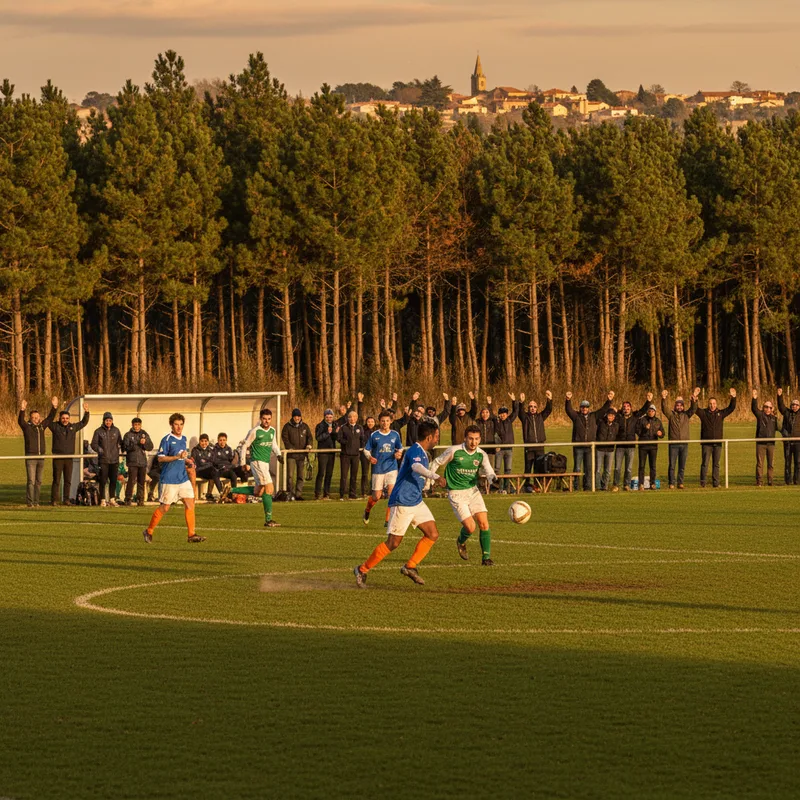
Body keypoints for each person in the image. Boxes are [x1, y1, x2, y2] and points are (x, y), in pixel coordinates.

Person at [354, 421, 447, 588]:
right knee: (393, 543)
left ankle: (410, 566)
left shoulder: (424, 453)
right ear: (429, 437)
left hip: (416, 501)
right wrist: (435, 477)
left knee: (432, 534)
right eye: (437, 437)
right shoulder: (415, 450)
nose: (437, 440)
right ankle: (362, 569)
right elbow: (416, 467)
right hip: (403, 501)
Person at [430, 424, 498, 566]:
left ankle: (486, 558)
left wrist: (492, 478)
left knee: (484, 523)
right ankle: (460, 541)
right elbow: (436, 462)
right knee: (471, 527)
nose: (473, 442)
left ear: (480, 439)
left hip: (473, 491)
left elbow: (489, 470)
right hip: (456, 493)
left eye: (477, 439)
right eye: (471, 439)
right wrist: (431, 479)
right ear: (465, 438)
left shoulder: (481, 454)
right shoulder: (454, 451)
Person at [143, 413, 205, 544]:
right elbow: (160, 458)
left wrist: (187, 460)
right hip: (169, 479)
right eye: (176, 424)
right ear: (171, 425)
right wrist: (177, 457)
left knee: (190, 503)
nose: (179, 427)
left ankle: (191, 534)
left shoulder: (184, 439)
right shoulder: (166, 439)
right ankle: (149, 531)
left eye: (181, 424)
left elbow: (181, 457)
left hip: (182, 478)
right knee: (165, 508)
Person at [241, 408, 282, 527]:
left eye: (269, 419)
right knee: (270, 488)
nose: (267, 421)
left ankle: (232, 491)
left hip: (265, 463)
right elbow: (245, 446)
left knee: (259, 491)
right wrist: (243, 462)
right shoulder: (255, 431)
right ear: (260, 419)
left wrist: (278, 454)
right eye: (264, 419)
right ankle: (268, 520)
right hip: (257, 462)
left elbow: (273, 444)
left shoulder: (272, 431)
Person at [565, 391, 614, 490]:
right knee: (577, 468)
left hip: (589, 447)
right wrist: (568, 400)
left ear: (589, 408)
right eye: (583, 407)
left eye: (586, 407)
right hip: (578, 447)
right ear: (580, 408)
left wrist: (609, 400)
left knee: (589, 468)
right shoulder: (576, 416)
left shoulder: (594, 416)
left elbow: (603, 409)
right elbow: (569, 410)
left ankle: (587, 486)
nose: (584, 409)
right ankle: (576, 487)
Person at [362, 410, 403, 526]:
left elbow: (400, 448)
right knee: (376, 496)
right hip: (378, 469)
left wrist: (398, 454)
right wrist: (370, 457)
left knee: (392, 493)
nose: (385, 423)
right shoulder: (374, 435)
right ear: (379, 422)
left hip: (392, 467)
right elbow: (366, 450)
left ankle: (388, 520)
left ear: (390, 422)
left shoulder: (395, 434)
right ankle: (367, 511)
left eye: (387, 421)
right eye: (383, 421)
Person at [18, 397, 58, 507]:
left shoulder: (41, 426)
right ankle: (30, 502)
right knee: (31, 481)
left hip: (41, 457)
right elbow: (20, 421)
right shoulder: (27, 427)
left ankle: (36, 502)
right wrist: (22, 409)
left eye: (37, 417)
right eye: (34, 417)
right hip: (31, 457)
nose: (36, 419)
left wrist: (54, 407)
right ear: (30, 418)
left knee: (39, 481)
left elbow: (50, 418)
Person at [48, 402, 90, 505]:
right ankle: (54, 500)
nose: (65, 420)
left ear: (69, 419)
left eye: (67, 418)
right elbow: (48, 420)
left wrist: (87, 412)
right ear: (60, 418)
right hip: (58, 457)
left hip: (69, 458)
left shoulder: (73, 427)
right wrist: (54, 408)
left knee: (68, 480)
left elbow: (84, 422)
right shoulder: (55, 427)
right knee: (56, 480)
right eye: (63, 418)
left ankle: (66, 500)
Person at [696, 388, 736, 488]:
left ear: (716, 404)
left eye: (714, 403)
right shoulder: (704, 413)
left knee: (716, 464)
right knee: (705, 463)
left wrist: (733, 397)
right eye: (710, 403)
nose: (712, 405)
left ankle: (716, 483)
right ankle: (703, 482)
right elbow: (695, 409)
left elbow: (731, 408)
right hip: (706, 444)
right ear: (708, 404)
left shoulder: (720, 413)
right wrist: (695, 397)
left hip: (718, 444)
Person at [661, 389, 699, 489]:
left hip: (684, 444)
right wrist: (664, 398)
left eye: (681, 405)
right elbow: (664, 409)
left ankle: (680, 482)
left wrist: (694, 400)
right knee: (672, 465)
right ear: (675, 406)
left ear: (683, 406)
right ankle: (671, 483)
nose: (679, 407)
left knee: (682, 466)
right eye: (677, 405)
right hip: (673, 444)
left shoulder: (686, 415)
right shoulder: (671, 416)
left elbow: (693, 409)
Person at [613, 397, 650, 491]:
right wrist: (613, 409)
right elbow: (608, 415)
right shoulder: (618, 417)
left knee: (628, 468)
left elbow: (643, 410)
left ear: (631, 408)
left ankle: (627, 485)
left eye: (628, 406)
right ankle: (616, 485)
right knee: (617, 468)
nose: (626, 408)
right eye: (624, 407)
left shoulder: (634, 416)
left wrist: (648, 401)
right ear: (622, 408)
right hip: (620, 446)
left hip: (631, 446)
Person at [519, 390, 552, 492]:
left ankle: (537, 486)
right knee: (528, 468)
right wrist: (521, 402)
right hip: (529, 447)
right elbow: (519, 412)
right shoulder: (525, 418)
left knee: (538, 468)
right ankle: (527, 487)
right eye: (530, 406)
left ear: (537, 408)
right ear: (528, 408)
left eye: (534, 406)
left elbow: (548, 410)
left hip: (539, 447)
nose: (532, 408)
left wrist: (549, 399)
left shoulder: (540, 417)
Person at [91, 412, 123, 507]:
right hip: (103, 460)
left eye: (110, 420)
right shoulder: (98, 431)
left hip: (114, 460)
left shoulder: (116, 431)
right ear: (104, 421)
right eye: (106, 420)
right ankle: (103, 500)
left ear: (112, 421)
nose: (108, 422)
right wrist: (100, 450)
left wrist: (121, 448)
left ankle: (112, 499)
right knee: (103, 481)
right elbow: (94, 444)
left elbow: (120, 442)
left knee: (113, 480)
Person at [281, 408, 313, 500]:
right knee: (290, 476)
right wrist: (289, 447)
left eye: (299, 416)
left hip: (302, 455)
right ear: (293, 417)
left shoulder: (305, 426)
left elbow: (310, 437)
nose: (297, 418)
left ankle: (298, 494)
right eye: (295, 416)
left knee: (300, 476)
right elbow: (285, 438)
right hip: (291, 455)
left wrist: (309, 445)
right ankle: (290, 494)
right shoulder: (287, 427)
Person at [121, 417, 153, 506]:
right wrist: (136, 444)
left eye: (138, 424)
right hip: (132, 461)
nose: (137, 426)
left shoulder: (144, 434)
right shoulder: (128, 435)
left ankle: (140, 499)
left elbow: (150, 446)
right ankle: (128, 499)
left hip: (142, 462)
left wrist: (145, 443)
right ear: (132, 425)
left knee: (141, 481)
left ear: (141, 425)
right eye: (135, 424)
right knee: (131, 481)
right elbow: (125, 447)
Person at [492, 394, 520, 493]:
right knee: (497, 469)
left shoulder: (509, 420)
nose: (503, 415)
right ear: (499, 414)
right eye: (501, 413)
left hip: (509, 449)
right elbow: (495, 435)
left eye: (505, 413)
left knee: (508, 469)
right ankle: (498, 487)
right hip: (499, 449)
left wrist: (514, 401)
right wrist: (497, 445)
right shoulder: (496, 422)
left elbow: (516, 411)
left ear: (507, 414)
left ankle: (506, 488)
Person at [751, 390, 778, 487]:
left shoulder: (774, 418)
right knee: (760, 464)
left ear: (772, 408)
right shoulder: (760, 415)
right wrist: (754, 398)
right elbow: (754, 408)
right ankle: (759, 482)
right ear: (763, 408)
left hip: (771, 444)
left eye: (769, 407)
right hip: (761, 443)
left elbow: (780, 428)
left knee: (770, 464)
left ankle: (770, 481)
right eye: (766, 407)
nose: (767, 409)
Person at [336, 409, 363, 501]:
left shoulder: (359, 428)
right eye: (350, 417)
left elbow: (362, 439)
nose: (352, 419)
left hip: (355, 455)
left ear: (357, 418)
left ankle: (352, 493)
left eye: (354, 417)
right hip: (345, 455)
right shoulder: (343, 427)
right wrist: (346, 443)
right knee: (344, 476)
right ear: (347, 418)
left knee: (354, 476)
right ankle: (342, 494)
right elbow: (339, 438)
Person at [636, 404, 664, 489]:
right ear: (647, 411)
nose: (651, 412)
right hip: (643, 446)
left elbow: (663, 433)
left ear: (655, 412)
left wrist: (661, 434)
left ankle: (652, 483)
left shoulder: (658, 421)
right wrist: (645, 428)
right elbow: (638, 431)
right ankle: (641, 484)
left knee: (653, 466)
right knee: (641, 466)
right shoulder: (642, 420)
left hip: (653, 447)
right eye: (649, 411)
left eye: (653, 411)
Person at [777, 388, 800, 484]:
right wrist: (779, 396)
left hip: (798, 442)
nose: (794, 406)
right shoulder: (787, 413)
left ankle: (797, 480)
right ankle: (788, 480)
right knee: (787, 462)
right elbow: (781, 406)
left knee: (798, 462)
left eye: (796, 405)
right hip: (788, 442)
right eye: (793, 405)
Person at [191, 434, 222, 502]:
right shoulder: (195, 450)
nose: (204, 443)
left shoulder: (210, 450)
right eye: (202, 441)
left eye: (205, 441)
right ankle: (221, 492)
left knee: (214, 472)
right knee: (213, 471)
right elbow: (193, 462)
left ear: (208, 442)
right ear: (199, 441)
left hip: (209, 471)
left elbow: (214, 461)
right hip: (199, 470)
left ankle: (209, 494)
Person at [595, 407, 620, 491]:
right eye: (609, 415)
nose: (611, 417)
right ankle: (597, 486)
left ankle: (604, 486)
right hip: (600, 449)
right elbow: (599, 415)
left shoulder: (616, 425)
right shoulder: (600, 423)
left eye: (613, 416)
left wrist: (617, 410)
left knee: (608, 470)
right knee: (598, 469)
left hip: (610, 450)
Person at [314, 409, 337, 500]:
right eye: (327, 417)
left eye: (330, 417)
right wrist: (328, 433)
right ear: (324, 417)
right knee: (321, 473)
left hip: (331, 452)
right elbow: (318, 438)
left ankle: (326, 493)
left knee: (329, 473)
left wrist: (335, 432)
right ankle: (317, 493)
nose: (329, 418)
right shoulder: (320, 426)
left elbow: (337, 437)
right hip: (323, 452)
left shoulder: (335, 425)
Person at [359, 415, 377, 498]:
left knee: (375, 473)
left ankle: (373, 490)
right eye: (369, 422)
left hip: (375, 454)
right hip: (365, 454)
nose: (370, 423)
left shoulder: (377, 431)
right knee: (365, 473)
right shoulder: (363, 430)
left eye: (372, 422)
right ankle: (364, 492)